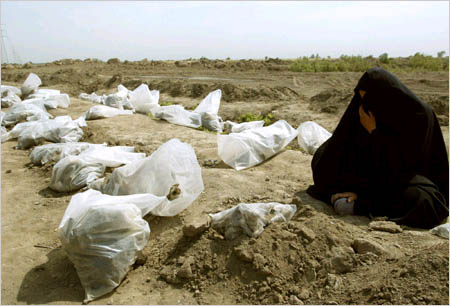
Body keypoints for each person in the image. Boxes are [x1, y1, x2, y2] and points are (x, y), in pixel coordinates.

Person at [306, 67, 449, 229]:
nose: (363, 106)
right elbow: (343, 146)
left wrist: (374, 132)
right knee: (324, 161)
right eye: (360, 99)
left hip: (407, 179)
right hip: (372, 175)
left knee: (422, 200)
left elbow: (400, 169)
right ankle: (359, 201)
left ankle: (361, 204)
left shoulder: (420, 116)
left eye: (369, 100)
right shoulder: (365, 111)